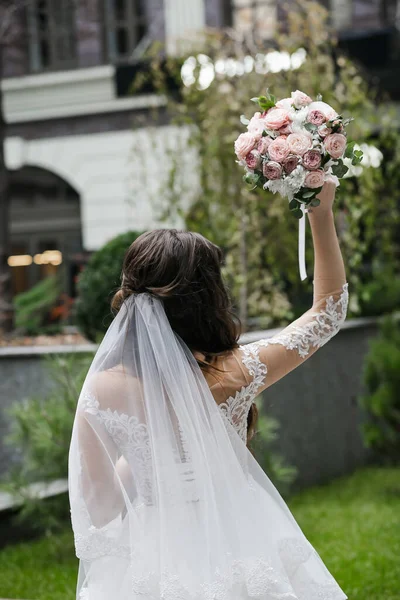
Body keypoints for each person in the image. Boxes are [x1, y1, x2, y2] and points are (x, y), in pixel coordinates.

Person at [69, 178, 348, 600]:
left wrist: (147, 465)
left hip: (154, 556)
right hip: (243, 535)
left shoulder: (103, 388)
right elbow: (328, 312)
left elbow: (102, 504)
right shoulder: (237, 371)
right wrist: (320, 214)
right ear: (207, 297)